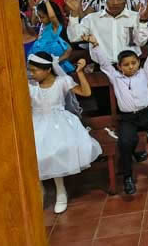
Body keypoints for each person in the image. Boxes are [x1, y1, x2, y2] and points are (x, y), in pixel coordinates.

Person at [88, 30, 148, 194]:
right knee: (125, 143)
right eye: (126, 65)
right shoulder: (116, 78)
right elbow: (104, 63)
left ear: (138, 63)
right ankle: (128, 178)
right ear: (119, 67)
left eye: (133, 63)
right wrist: (95, 45)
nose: (131, 67)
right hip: (128, 119)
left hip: (147, 116)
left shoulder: (144, 74)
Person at [27, 52, 102, 213]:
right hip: (36, 123)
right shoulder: (30, 87)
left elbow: (86, 92)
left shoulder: (62, 81)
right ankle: (39, 188)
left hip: (59, 123)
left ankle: (60, 191)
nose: (31, 74)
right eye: (30, 70)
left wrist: (80, 73)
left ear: (48, 69)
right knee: (33, 154)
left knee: (55, 151)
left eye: (34, 70)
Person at [66, 0, 148, 64]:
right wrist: (74, 12)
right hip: (102, 67)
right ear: (104, 0)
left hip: (130, 67)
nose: (115, 2)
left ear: (125, 0)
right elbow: (74, 37)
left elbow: (141, 42)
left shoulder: (134, 17)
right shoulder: (92, 19)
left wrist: (143, 22)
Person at [28, 0, 75, 74]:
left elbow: (52, 17)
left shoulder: (54, 27)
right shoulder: (44, 27)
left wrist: (46, 2)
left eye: (42, 17)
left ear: (49, 16)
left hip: (55, 68)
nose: (40, 20)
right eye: (38, 17)